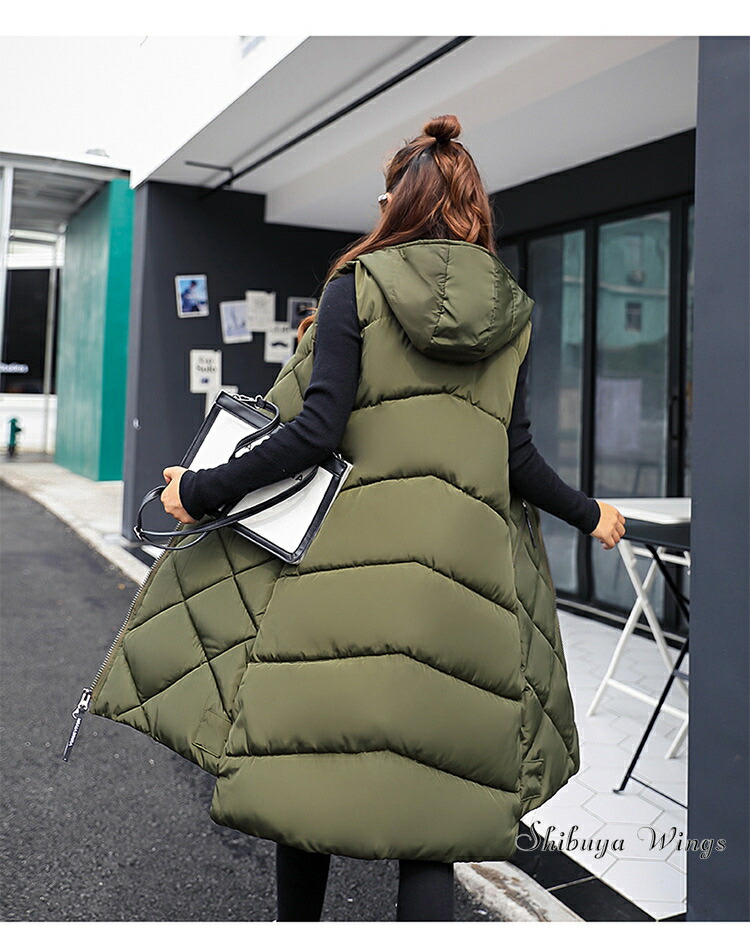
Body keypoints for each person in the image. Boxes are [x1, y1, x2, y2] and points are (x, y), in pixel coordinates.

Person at [111, 115, 626, 923]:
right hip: (463, 592)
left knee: (307, 783)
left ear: (401, 200)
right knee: (433, 819)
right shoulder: (514, 312)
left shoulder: (357, 287)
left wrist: (202, 489)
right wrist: (591, 514)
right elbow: (516, 458)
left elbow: (312, 433)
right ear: (473, 207)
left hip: (342, 576)